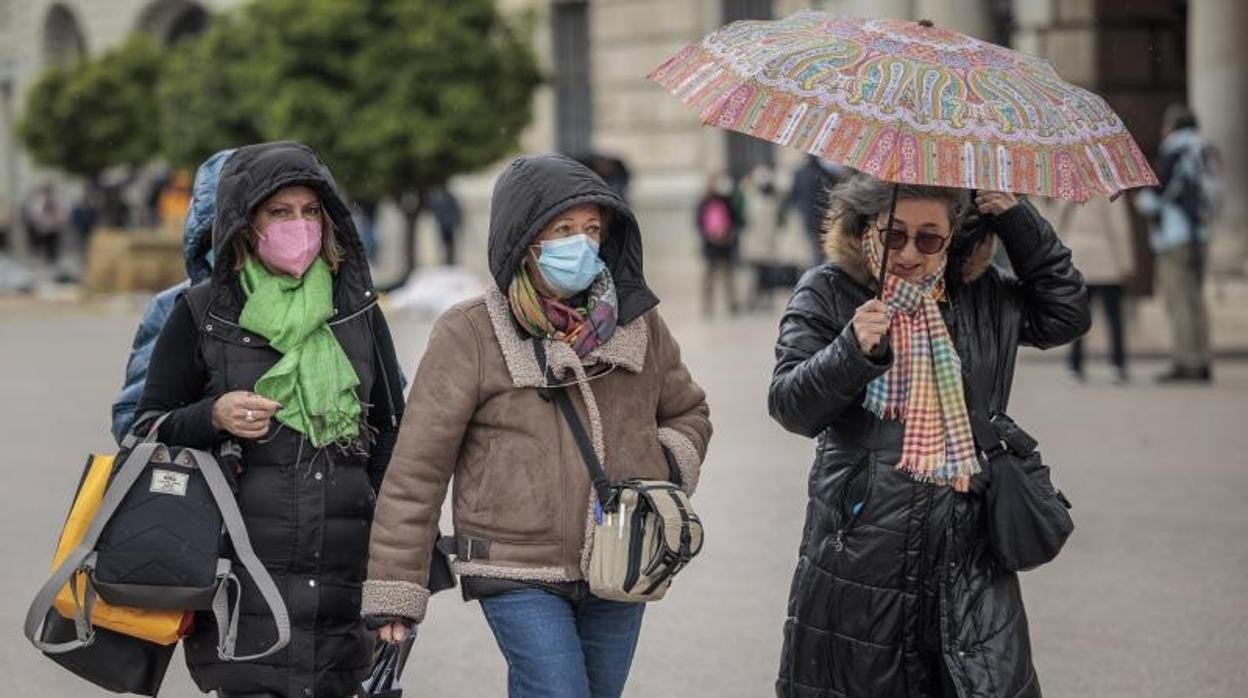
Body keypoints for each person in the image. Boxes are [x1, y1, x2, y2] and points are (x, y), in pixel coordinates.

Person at [363, 153, 712, 698]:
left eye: (593, 229)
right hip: (515, 567)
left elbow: (689, 411)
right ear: (524, 239)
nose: (582, 243)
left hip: (622, 564)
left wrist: (663, 466)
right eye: (564, 229)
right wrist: (396, 591)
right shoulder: (470, 333)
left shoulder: (638, 322)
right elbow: (417, 470)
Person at [768, 173, 1089, 698]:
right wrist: (851, 351)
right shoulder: (829, 290)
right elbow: (790, 406)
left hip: (969, 552)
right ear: (866, 226)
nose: (909, 254)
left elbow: (1066, 314)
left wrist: (1017, 220)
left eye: (928, 238)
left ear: (952, 238)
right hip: (861, 550)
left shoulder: (982, 294)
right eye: (894, 235)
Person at [134, 141, 407, 698]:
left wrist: (400, 577)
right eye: (279, 212)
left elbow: (395, 447)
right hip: (241, 578)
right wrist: (213, 415)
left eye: (310, 212)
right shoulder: (201, 313)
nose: (298, 225)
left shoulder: (356, 311)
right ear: (244, 223)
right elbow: (145, 431)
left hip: (344, 580)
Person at [112, 149, 233, 444]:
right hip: (207, 485)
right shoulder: (178, 306)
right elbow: (132, 422)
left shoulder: (332, 306)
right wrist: (211, 416)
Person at [1135, 104, 1218, 383]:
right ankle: (1202, 358)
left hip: (1175, 235)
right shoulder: (1205, 149)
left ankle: (1186, 362)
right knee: (1195, 299)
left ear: (1173, 126)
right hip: (1200, 234)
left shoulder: (1174, 150)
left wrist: (1143, 202)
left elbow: (1155, 195)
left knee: (1179, 301)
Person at [1051, 196, 1136, 383]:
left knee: (1077, 315)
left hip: (1077, 259)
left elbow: (1056, 225)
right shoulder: (1110, 192)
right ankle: (1118, 364)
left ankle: (1075, 365)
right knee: (1113, 316)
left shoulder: (1068, 190)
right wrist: (1126, 264)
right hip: (1106, 258)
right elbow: (1119, 229)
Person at [781, 155, 846, 267]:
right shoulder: (824, 174)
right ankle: (819, 273)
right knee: (825, 250)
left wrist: (800, 210)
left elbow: (793, 196)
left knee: (814, 251)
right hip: (822, 217)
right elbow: (832, 195)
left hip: (808, 218)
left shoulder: (799, 173)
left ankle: (816, 273)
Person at [696, 172, 745, 316]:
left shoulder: (728, 201)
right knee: (710, 277)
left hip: (726, 244)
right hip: (711, 245)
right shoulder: (705, 202)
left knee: (728, 275)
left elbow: (736, 221)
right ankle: (708, 306)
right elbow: (699, 222)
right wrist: (710, 236)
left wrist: (729, 235)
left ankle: (732, 303)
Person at [427, 188, 463, 266]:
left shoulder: (448, 198)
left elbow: (456, 210)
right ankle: (447, 260)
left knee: (449, 243)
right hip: (443, 225)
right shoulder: (439, 198)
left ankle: (449, 260)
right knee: (445, 243)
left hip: (448, 225)